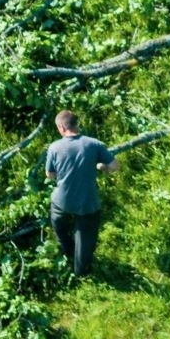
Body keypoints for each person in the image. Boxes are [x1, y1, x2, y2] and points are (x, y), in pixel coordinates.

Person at [42, 110, 115, 278]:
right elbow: (115, 166)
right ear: (76, 124)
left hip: (62, 201)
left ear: (61, 127)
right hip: (87, 202)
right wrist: (101, 167)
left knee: (58, 224)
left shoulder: (54, 147)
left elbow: (49, 174)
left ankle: (68, 251)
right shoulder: (94, 144)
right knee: (85, 237)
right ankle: (82, 272)